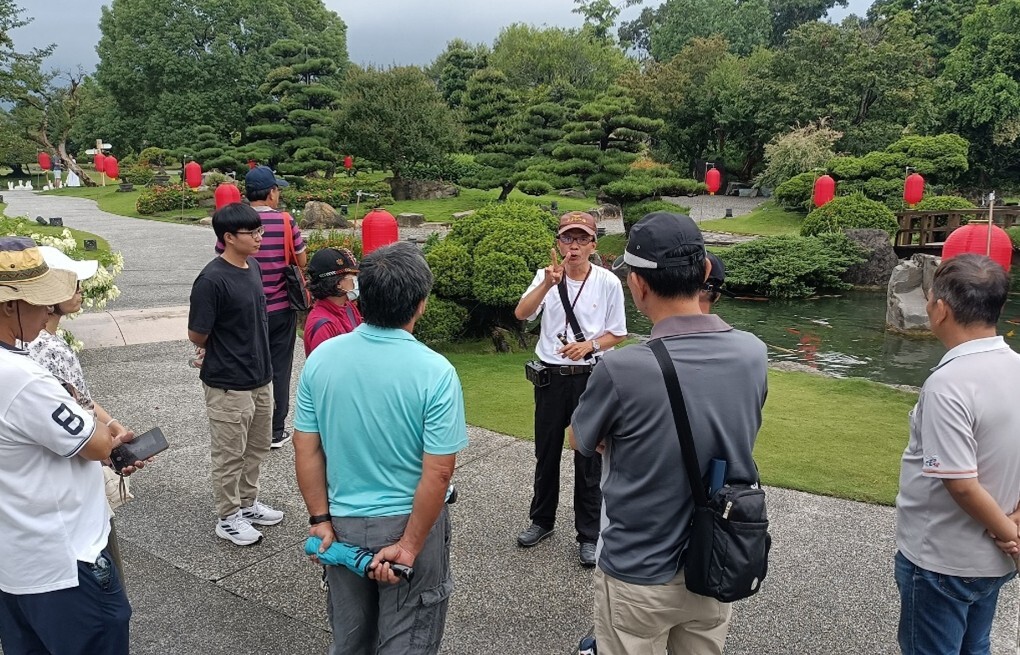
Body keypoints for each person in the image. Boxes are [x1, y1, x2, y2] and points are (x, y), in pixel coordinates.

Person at [570, 212, 768, 654]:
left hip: (638, 567)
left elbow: (580, 440)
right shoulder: (753, 353)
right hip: (718, 555)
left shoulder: (622, 368)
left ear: (637, 284)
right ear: (704, 270)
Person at [294, 242, 468, 655]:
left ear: (360, 295)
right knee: (408, 638)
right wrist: (409, 546)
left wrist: (319, 519)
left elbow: (306, 448)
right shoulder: (435, 371)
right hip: (410, 520)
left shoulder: (321, 360)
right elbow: (439, 472)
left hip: (342, 523)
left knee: (351, 638)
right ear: (421, 303)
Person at [0, 237, 132, 654]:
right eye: (39, 301)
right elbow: (96, 445)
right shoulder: (21, 378)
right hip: (64, 561)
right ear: (9, 306)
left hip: (14, 560)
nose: (46, 311)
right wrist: (100, 425)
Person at [894, 253, 1020, 655]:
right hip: (994, 560)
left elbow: (961, 483)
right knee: (975, 645)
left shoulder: (949, 384)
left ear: (941, 309)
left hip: (943, 557)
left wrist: (1009, 533)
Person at [514, 211, 627, 567]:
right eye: (567, 238)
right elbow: (521, 313)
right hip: (550, 377)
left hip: (590, 377)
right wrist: (547, 285)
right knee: (546, 452)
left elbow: (618, 333)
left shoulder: (608, 282)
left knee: (588, 457)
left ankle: (589, 535)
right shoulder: (545, 276)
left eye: (581, 239)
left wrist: (589, 346)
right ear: (559, 243)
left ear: (594, 244)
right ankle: (541, 520)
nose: (574, 246)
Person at [27, 246, 140, 587]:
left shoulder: (40, 340)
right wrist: (107, 443)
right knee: (101, 569)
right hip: (75, 471)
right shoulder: (48, 348)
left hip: (73, 451)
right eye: (72, 284)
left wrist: (112, 424)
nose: (80, 291)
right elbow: (75, 413)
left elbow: (81, 398)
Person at [190, 203, 283, 546]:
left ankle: (247, 503)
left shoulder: (252, 267)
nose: (259, 237)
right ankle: (228, 517)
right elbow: (197, 333)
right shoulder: (211, 280)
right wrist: (219, 348)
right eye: (252, 232)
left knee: (257, 446)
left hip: (260, 376)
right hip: (228, 382)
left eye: (260, 230)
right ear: (229, 237)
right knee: (229, 454)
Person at [217, 165, 307, 449]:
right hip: (280, 308)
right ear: (271, 192)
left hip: (243, 309)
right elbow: (301, 261)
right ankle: (275, 430)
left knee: (246, 365)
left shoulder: (236, 222)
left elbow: (223, 258)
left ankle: (245, 427)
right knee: (279, 368)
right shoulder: (285, 221)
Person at [302, 247, 362, 356]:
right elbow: (324, 365)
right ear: (338, 283)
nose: (356, 280)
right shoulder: (323, 326)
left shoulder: (349, 307)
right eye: (353, 276)